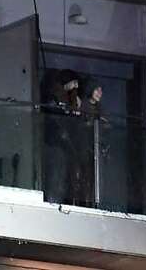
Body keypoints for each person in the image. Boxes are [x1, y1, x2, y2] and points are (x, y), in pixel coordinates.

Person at [41, 69, 80, 204]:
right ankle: (53, 200)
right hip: (54, 143)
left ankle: (59, 200)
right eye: (74, 83)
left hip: (62, 144)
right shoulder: (55, 94)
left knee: (62, 175)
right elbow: (54, 112)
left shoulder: (68, 97)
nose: (75, 86)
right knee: (55, 174)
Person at [74, 77, 104, 206]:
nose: (99, 93)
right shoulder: (83, 105)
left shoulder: (99, 108)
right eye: (97, 89)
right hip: (83, 146)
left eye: (101, 90)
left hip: (94, 148)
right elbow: (79, 124)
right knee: (83, 175)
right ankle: (83, 202)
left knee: (92, 177)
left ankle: (90, 202)